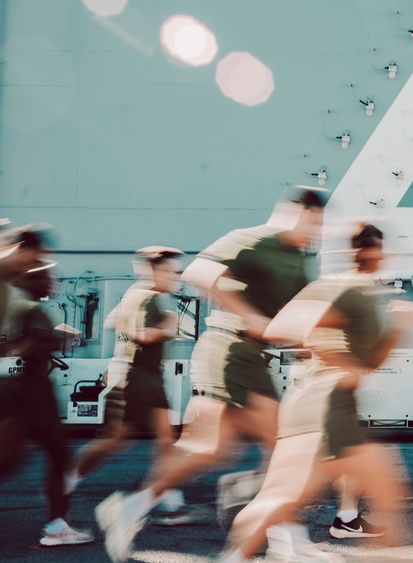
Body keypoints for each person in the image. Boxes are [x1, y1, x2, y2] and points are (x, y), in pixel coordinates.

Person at [96, 186, 329, 563]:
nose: (316, 232)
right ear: (296, 213)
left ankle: (129, 508)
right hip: (231, 350)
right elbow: (201, 272)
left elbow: (294, 314)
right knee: (288, 446)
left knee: (211, 449)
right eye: (314, 222)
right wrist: (249, 315)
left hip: (250, 357)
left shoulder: (299, 260)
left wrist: (310, 344)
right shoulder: (254, 240)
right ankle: (289, 541)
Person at [220, 222, 413, 563]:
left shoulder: (361, 293)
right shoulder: (341, 289)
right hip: (326, 405)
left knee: (280, 498)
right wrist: (340, 362)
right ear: (364, 251)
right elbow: (285, 328)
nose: (380, 254)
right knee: (388, 497)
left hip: (319, 403)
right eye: (374, 246)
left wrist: (400, 329)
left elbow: (370, 362)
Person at [68, 247, 209, 523]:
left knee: (166, 438)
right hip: (136, 377)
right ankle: (68, 477)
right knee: (116, 441)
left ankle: (170, 501)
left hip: (144, 376)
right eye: (171, 271)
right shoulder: (148, 297)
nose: (176, 276)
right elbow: (141, 334)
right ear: (153, 271)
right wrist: (167, 327)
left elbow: (111, 321)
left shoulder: (138, 294)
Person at [0, 229, 94, 547]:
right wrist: (58, 338)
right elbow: (25, 347)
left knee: (18, 458)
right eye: (41, 265)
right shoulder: (24, 301)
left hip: (21, 389)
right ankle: (56, 527)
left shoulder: (25, 301)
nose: (49, 275)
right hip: (25, 390)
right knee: (40, 456)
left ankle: (57, 526)